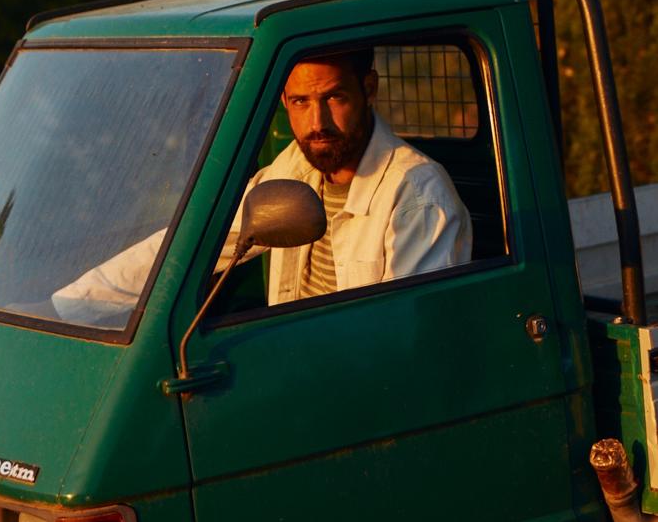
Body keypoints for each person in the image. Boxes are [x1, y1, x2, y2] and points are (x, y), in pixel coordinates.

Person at [51, 49, 471, 323]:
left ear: (369, 90)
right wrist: (67, 308)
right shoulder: (295, 165)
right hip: (288, 370)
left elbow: (407, 339)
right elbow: (197, 243)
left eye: (334, 98)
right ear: (285, 103)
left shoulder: (417, 195)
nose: (317, 124)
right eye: (300, 103)